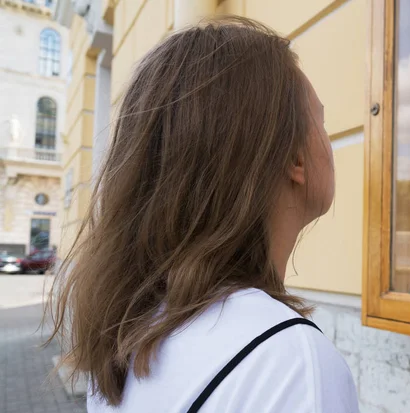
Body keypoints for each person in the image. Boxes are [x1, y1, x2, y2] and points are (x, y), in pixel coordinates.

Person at [47, 17, 359, 413]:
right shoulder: (290, 360)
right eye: (322, 121)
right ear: (295, 157)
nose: (329, 145)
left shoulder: (129, 331)